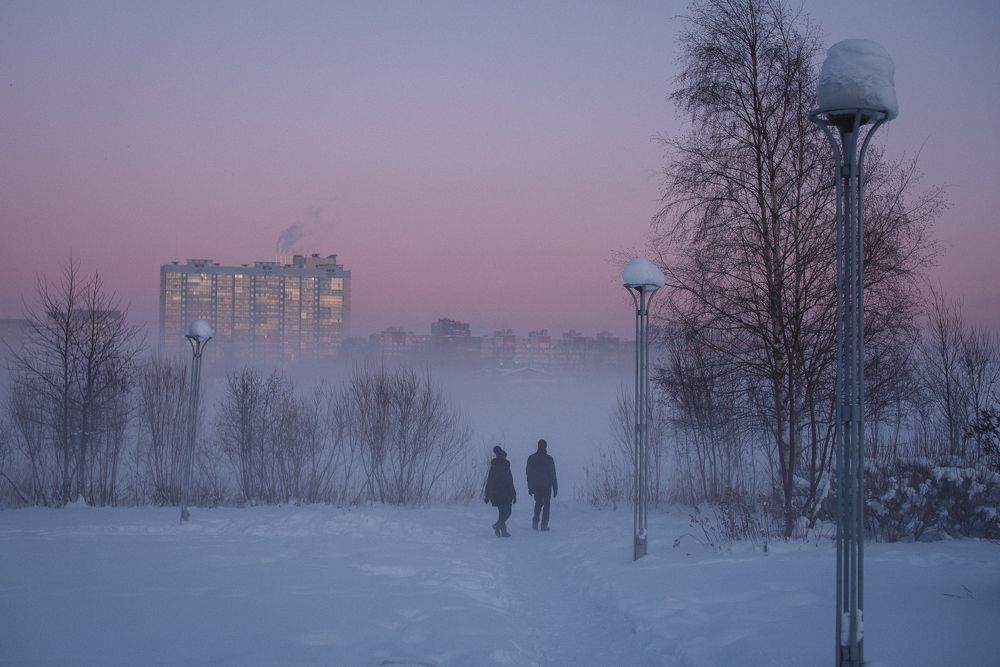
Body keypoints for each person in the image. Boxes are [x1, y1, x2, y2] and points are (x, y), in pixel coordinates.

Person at [483, 445, 516, 537]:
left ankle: (500, 529)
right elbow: (509, 481)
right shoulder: (498, 465)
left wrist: (487, 495)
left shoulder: (500, 465)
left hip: (500, 493)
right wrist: (487, 495)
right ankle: (499, 527)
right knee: (506, 512)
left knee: (504, 512)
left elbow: (490, 481)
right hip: (503, 493)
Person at [526, 438, 558, 531]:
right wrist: (555, 488)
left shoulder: (531, 458)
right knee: (546, 505)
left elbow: (529, 474)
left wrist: (530, 487)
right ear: (545, 446)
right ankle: (544, 525)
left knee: (538, 504)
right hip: (547, 486)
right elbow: (553, 474)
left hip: (536, 486)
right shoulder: (549, 459)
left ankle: (535, 523)